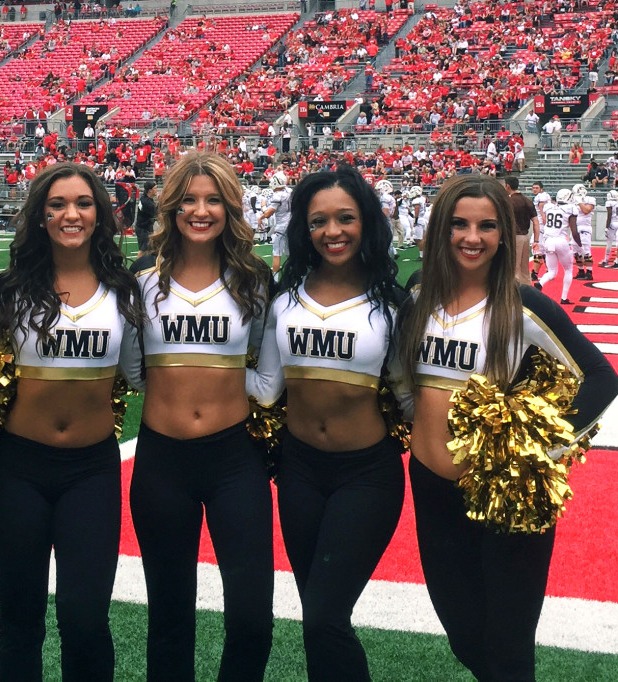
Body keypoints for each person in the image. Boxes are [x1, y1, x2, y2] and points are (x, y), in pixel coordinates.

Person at [394, 174, 618, 681]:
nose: (472, 237)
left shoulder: (524, 306)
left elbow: (601, 379)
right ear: (441, 229)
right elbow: (402, 379)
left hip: (507, 494)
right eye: (460, 224)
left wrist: (537, 448)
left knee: (510, 645)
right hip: (431, 488)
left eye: (487, 226)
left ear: (503, 235)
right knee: (463, 632)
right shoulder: (418, 296)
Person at [246, 166, 406, 680]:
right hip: (298, 472)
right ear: (303, 228)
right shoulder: (284, 299)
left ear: (367, 223)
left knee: (323, 617)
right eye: (318, 221)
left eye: (345, 218)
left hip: (367, 476)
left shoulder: (393, 303)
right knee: (318, 612)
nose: (332, 231)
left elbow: (407, 393)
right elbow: (268, 386)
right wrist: (200, 363)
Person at [0, 162, 143, 680]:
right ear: (39, 217)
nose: (69, 214)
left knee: (84, 617)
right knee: (20, 618)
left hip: (91, 472)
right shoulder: (8, 289)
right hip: (18, 469)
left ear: (100, 215)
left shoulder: (124, 290)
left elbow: (140, 375)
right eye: (56, 205)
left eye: (82, 204)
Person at [127, 152, 274, 681]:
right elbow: (133, 367)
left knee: (253, 616)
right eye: (188, 199)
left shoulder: (253, 279)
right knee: (169, 616)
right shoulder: (143, 279)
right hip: (162, 461)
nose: (200, 210)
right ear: (171, 206)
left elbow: (266, 370)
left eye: (213, 200)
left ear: (230, 208)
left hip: (235, 460)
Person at [536, 189, 581, 304]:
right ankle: (564, 297)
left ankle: (539, 284)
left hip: (548, 241)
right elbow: (574, 232)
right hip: (561, 241)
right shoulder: (571, 208)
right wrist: (581, 247)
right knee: (568, 269)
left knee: (551, 272)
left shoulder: (549, 207)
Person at [503, 176, 539, 286]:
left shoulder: (508, 202)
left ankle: (513, 294)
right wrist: (536, 240)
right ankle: (527, 293)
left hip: (513, 236)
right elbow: (536, 222)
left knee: (513, 268)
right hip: (525, 236)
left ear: (507, 186)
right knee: (524, 269)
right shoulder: (527, 200)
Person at [257, 172, 291, 272]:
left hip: (282, 226)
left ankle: (275, 278)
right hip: (291, 224)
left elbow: (268, 213)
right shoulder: (289, 191)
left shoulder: (277, 196)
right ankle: (296, 274)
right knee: (289, 252)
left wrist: (263, 208)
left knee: (276, 253)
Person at [569, 184, 596, 280]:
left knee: (586, 251)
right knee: (576, 252)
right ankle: (580, 271)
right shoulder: (572, 200)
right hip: (574, 228)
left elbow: (586, 210)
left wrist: (579, 202)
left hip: (584, 228)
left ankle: (589, 272)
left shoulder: (590, 199)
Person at [135, 180, 157, 258]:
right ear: (150, 190)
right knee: (143, 250)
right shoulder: (147, 203)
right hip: (143, 229)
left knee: (151, 249)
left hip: (146, 227)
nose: (156, 190)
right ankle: (138, 266)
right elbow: (157, 214)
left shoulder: (145, 198)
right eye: (155, 188)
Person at [602, 189, 618, 268]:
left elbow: (609, 214)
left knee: (609, 242)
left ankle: (606, 260)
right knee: (617, 243)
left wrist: (606, 227)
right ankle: (617, 260)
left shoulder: (609, 202)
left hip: (612, 223)